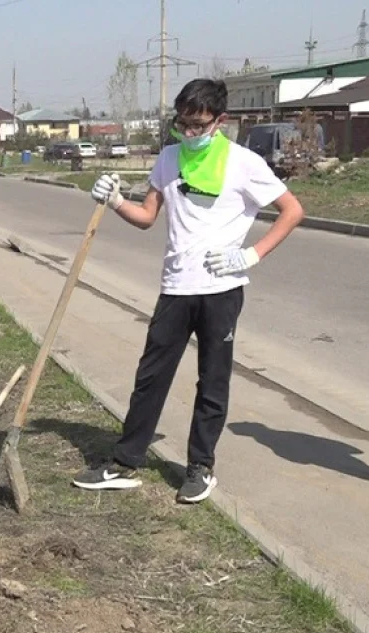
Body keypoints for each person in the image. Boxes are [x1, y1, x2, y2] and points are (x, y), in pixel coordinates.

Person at [72, 78, 305, 504]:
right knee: (150, 376)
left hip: (221, 289)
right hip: (175, 287)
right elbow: (146, 216)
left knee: (212, 380)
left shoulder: (243, 162)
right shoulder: (167, 158)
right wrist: (115, 200)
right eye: (183, 124)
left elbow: (293, 211)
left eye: (199, 125)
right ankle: (125, 461)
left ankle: (201, 466)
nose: (191, 133)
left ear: (221, 120)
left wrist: (250, 256)